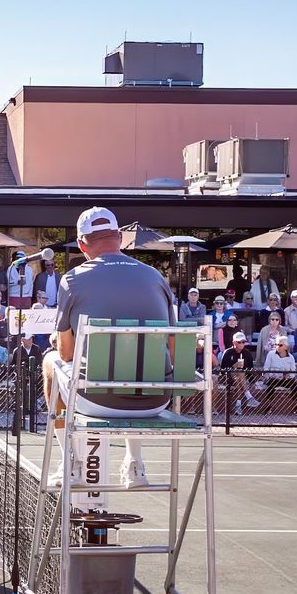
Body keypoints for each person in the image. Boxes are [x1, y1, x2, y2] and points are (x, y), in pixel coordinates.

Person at [44, 206, 179, 489]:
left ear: (82, 245)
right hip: (156, 400)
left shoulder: (72, 279)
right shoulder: (156, 276)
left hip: (97, 400)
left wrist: (59, 341)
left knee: (50, 361)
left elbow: (67, 355)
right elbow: (172, 345)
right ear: (120, 237)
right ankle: (134, 464)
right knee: (138, 366)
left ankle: (69, 462)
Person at [218, 331, 260, 414]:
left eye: (243, 342)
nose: (241, 344)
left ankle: (238, 406)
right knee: (239, 372)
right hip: (228, 378)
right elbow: (222, 370)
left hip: (241, 379)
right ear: (234, 342)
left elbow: (250, 369)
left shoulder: (247, 353)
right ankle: (249, 397)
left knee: (239, 377)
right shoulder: (228, 352)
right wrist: (233, 366)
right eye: (239, 342)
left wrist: (252, 381)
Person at [262, 335, 297, 415]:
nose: (278, 347)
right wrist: (272, 375)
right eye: (276, 344)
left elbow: (293, 371)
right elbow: (266, 368)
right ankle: (268, 407)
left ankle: (296, 408)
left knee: (294, 385)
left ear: (286, 347)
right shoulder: (270, 354)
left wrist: (288, 376)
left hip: (285, 379)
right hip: (273, 378)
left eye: (280, 345)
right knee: (270, 386)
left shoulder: (291, 357)